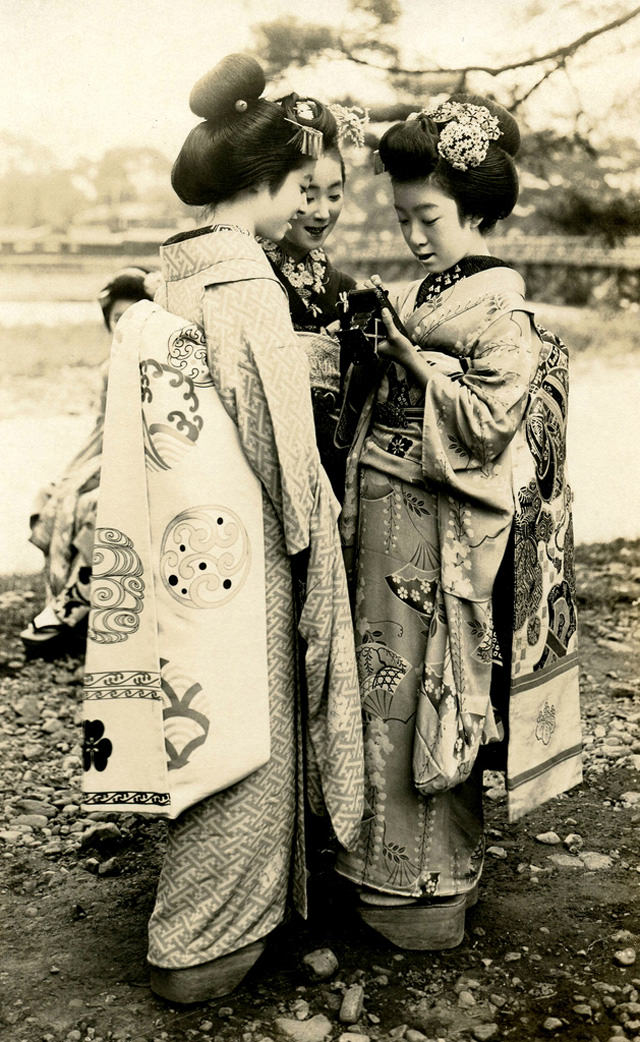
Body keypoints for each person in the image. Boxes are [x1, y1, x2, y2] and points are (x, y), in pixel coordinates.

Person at [80, 53, 364, 1004]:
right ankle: (208, 940)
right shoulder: (246, 287)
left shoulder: (178, 274)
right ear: (264, 186)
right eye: (299, 186)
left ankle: (233, 921)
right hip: (248, 542)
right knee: (258, 733)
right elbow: (284, 446)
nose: (305, 206)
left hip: (186, 543)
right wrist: (317, 539)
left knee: (203, 720)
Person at [335, 95, 581, 949]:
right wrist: (379, 353)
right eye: (402, 218)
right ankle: (371, 869)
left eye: (428, 217)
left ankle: (430, 885)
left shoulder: (502, 310)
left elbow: (488, 424)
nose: (412, 237)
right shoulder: (434, 290)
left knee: (427, 694)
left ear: (475, 208)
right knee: (378, 690)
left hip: (442, 529)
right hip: (386, 518)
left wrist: (410, 361)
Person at [21, 266, 159, 654]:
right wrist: (75, 475)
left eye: (134, 319)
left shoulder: (160, 368)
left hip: (149, 461)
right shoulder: (108, 369)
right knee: (56, 496)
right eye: (117, 320)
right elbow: (101, 433)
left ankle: (72, 608)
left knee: (96, 507)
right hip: (112, 456)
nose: (125, 328)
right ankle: (67, 599)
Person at [259, 98, 367, 499]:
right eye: (307, 193)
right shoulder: (253, 277)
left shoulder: (345, 287)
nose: (321, 212)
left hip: (333, 469)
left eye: (334, 196)